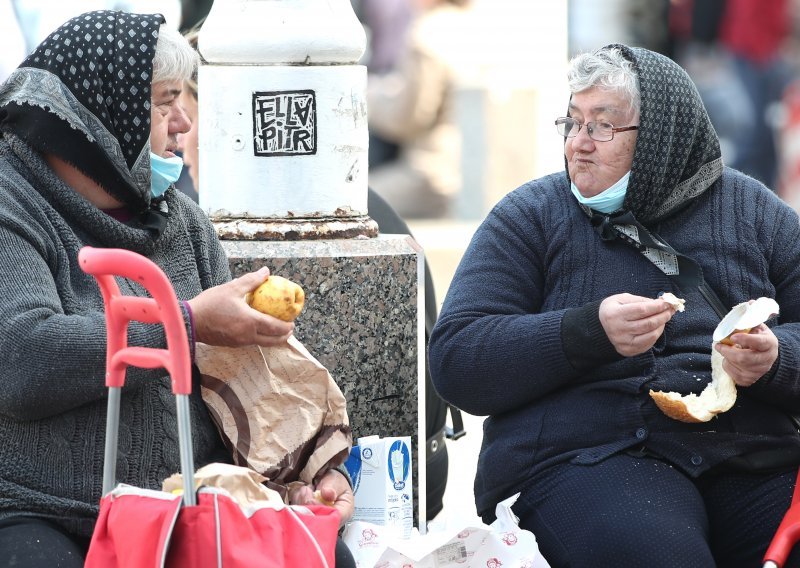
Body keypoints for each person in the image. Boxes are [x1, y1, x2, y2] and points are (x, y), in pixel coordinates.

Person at [0, 10, 353, 566]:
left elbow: (248, 382)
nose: (184, 121)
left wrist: (309, 473)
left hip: (183, 503)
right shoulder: (11, 204)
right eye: (165, 102)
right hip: (45, 510)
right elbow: (19, 361)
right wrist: (186, 325)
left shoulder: (182, 222)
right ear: (99, 116)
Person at [429, 44, 800, 567]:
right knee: (652, 554)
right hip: (590, 457)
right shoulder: (530, 217)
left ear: (659, 140)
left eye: (601, 126)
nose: (578, 145)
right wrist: (586, 332)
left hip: (752, 457)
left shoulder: (757, 213)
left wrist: (775, 359)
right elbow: (457, 360)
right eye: (572, 123)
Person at [366, 0, 469, 219]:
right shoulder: (466, 23)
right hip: (463, 172)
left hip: (432, 173)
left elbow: (407, 120)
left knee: (351, 200)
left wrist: (366, 97)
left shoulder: (428, 34)